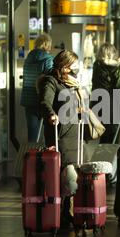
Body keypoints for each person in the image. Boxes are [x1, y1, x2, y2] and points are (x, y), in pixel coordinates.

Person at [37, 50, 85, 226]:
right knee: (64, 174)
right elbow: (44, 102)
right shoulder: (51, 81)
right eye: (73, 64)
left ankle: (68, 211)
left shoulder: (70, 82)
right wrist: (51, 115)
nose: (76, 67)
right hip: (61, 136)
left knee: (71, 175)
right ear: (65, 65)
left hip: (74, 135)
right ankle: (61, 212)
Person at [91, 43, 120, 143]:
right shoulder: (119, 71)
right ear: (113, 54)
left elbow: (106, 67)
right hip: (114, 108)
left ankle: (102, 157)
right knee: (113, 139)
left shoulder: (96, 66)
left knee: (103, 137)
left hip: (99, 106)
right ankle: (109, 158)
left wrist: (117, 62)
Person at [20, 33, 53, 143]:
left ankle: (31, 157)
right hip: (42, 99)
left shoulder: (28, 58)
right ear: (46, 44)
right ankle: (44, 158)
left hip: (28, 99)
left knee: (32, 135)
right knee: (48, 134)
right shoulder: (48, 60)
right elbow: (50, 79)